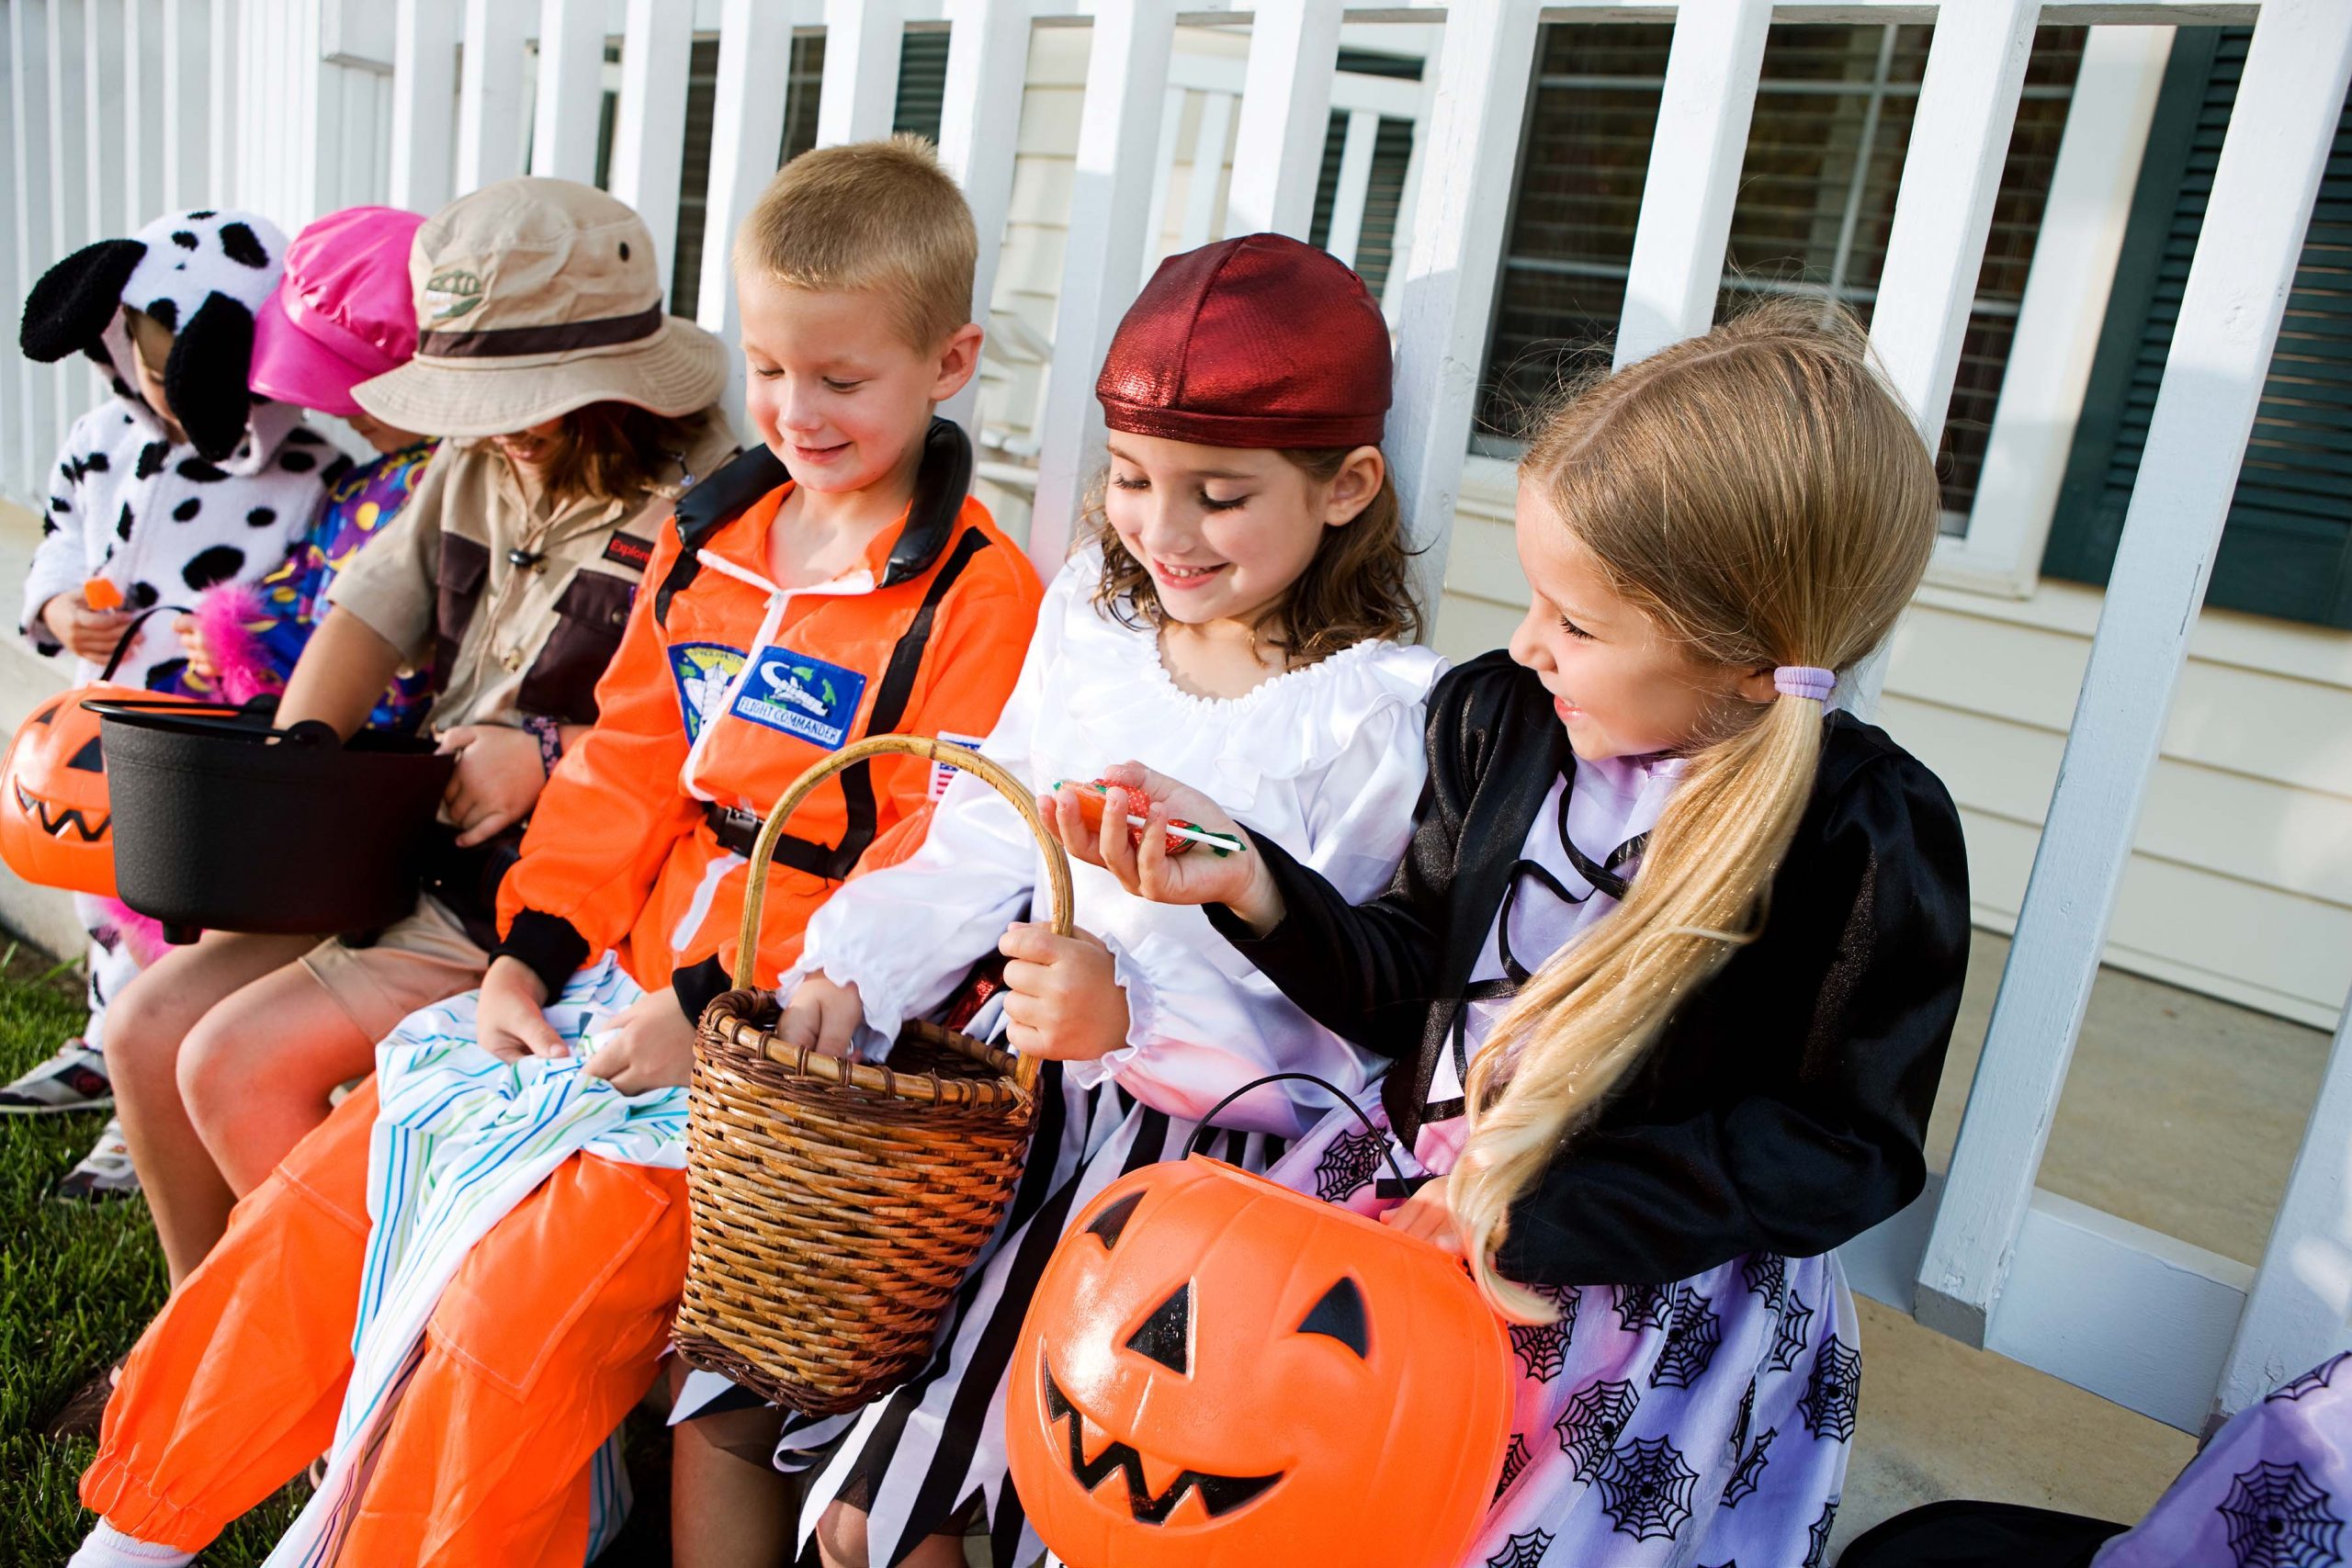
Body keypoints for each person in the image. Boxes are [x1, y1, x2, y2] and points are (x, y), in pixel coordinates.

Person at [72, 136, 1043, 1568]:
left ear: (948, 362)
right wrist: (530, 951)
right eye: (772, 372)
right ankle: (136, 1530)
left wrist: (707, 1001)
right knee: (322, 1202)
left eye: (844, 380)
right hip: (599, 999)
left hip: (780, 1059)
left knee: (505, 1312)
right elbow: (626, 766)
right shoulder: (716, 535)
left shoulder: (975, 593)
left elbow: (917, 863)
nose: (797, 410)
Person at [1066, 300, 1973, 1567]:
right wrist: (1250, 881)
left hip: (1631, 1310)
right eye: (1538, 598)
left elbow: (1843, 1146)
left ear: (1754, 659)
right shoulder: (1506, 723)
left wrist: (1540, 1207)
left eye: (1580, 623)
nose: (1527, 638)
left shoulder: (1860, 832)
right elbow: (1412, 991)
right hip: (1403, 1212)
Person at [669, 231, 1448, 1568]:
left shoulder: (1377, 714)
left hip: (1174, 1157)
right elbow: (992, 812)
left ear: (1347, 486)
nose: (1164, 529)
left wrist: (1128, 1014)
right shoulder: (1099, 614)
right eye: (1136, 480)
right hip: (993, 1090)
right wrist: (863, 961)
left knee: (921, 1513)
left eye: (1219, 493)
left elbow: (1341, 1014)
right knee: (756, 1409)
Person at [94, 177, 738, 1290]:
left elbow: (718, 745)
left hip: (546, 900)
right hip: (407, 847)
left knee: (235, 1063)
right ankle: (205, 1336)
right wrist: (294, 783)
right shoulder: (482, 457)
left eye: (529, 397)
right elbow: (365, 616)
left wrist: (543, 757)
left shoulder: (713, 507)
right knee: (147, 1026)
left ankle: (361, 1376)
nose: (500, 426)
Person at [6, 209, 331, 1201]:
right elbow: (61, 540)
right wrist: (59, 608)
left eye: (185, 388)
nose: (163, 402)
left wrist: (250, 645)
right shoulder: (99, 438)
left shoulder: (308, 467)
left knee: (172, 914)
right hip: (95, 719)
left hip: (210, 742)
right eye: (148, 376)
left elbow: (323, 601)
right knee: (98, 896)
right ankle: (109, 1042)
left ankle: (140, 1101)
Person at [165, 203, 439, 733]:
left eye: (363, 391)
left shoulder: (447, 487)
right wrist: (234, 631)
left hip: (353, 752)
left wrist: (261, 644)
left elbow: (396, 650)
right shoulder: (365, 483)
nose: (341, 410)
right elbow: (305, 583)